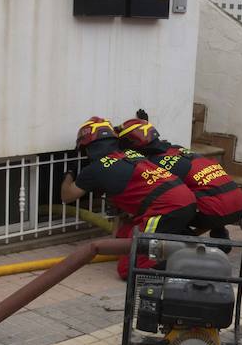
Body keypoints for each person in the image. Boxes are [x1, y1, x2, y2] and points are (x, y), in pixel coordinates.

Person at [60, 117, 197, 278]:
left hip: (166, 208)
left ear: (87, 147)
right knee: (124, 235)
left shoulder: (95, 169)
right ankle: (183, 249)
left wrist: (70, 172)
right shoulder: (129, 154)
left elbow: (66, 196)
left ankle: (186, 265)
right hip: (185, 198)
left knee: (128, 269)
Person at [115, 115, 242, 245]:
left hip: (216, 212)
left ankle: (193, 245)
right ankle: (220, 235)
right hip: (240, 203)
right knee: (205, 190)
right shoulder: (176, 149)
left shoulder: (156, 164)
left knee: (173, 208)